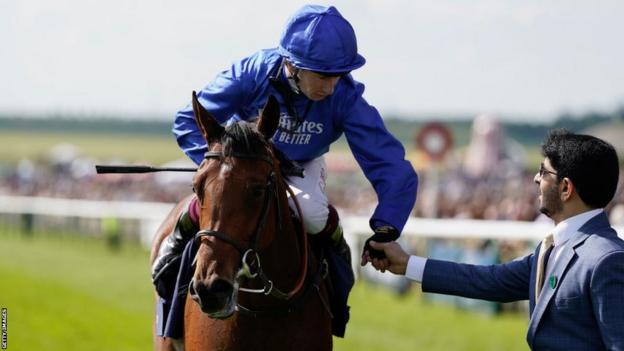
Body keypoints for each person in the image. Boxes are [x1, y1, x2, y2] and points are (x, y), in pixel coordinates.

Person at [152, 3, 418, 321]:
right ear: (293, 64)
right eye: (322, 76)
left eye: (339, 75)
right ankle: (180, 237)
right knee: (225, 195)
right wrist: (220, 168)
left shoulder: (344, 96)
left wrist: (387, 227)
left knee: (313, 214)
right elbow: (187, 120)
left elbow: (389, 162)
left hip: (301, 164)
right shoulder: (252, 73)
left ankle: (335, 292)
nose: (331, 87)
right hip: (240, 164)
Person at [363, 129, 624, 350]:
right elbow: (488, 281)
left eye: (544, 172)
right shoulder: (553, 248)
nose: (535, 178)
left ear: (566, 188)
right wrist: (408, 263)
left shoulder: (607, 259)